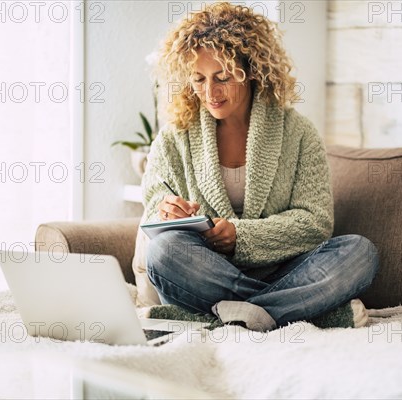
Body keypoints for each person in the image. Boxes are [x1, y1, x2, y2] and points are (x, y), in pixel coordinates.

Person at [143, 2, 379, 331]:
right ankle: (296, 313)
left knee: (359, 252)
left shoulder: (298, 133)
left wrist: (242, 235)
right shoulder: (173, 138)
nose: (210, 92)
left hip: (285, 271)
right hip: (207, 274)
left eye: (222, 77)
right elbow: (153, 211)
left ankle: (222, 319)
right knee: (165, 253)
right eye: (198, 79)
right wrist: (166, 213)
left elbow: (315, 222)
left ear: (251, 70)